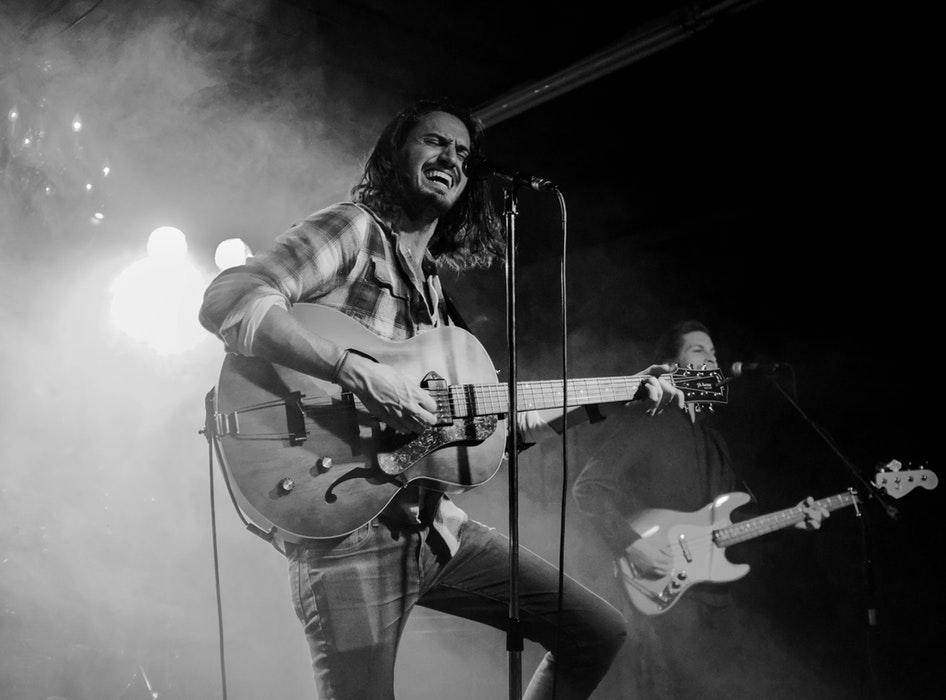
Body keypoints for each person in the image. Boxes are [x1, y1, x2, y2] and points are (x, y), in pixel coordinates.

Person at [198, 97, 686, 700]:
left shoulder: (431, 290)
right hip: (345, 526)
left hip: (433, 531)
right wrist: (357, 371)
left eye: (462, 153)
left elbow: (480, 433)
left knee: (595, 631)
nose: (450, 158)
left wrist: (610, 397)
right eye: (433, 142)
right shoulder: (353, 230)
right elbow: (230, 298)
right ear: (394, 155)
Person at [571, 320, 831, 700]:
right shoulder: (648, 425)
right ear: (672, 368)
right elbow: (588, 488)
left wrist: (793, 519)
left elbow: (728, 519)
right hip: (663, 593)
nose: (712, 360)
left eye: (713, 353)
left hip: (716, 593)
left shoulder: (714, 439)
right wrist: (631, 544)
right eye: (698, 351)